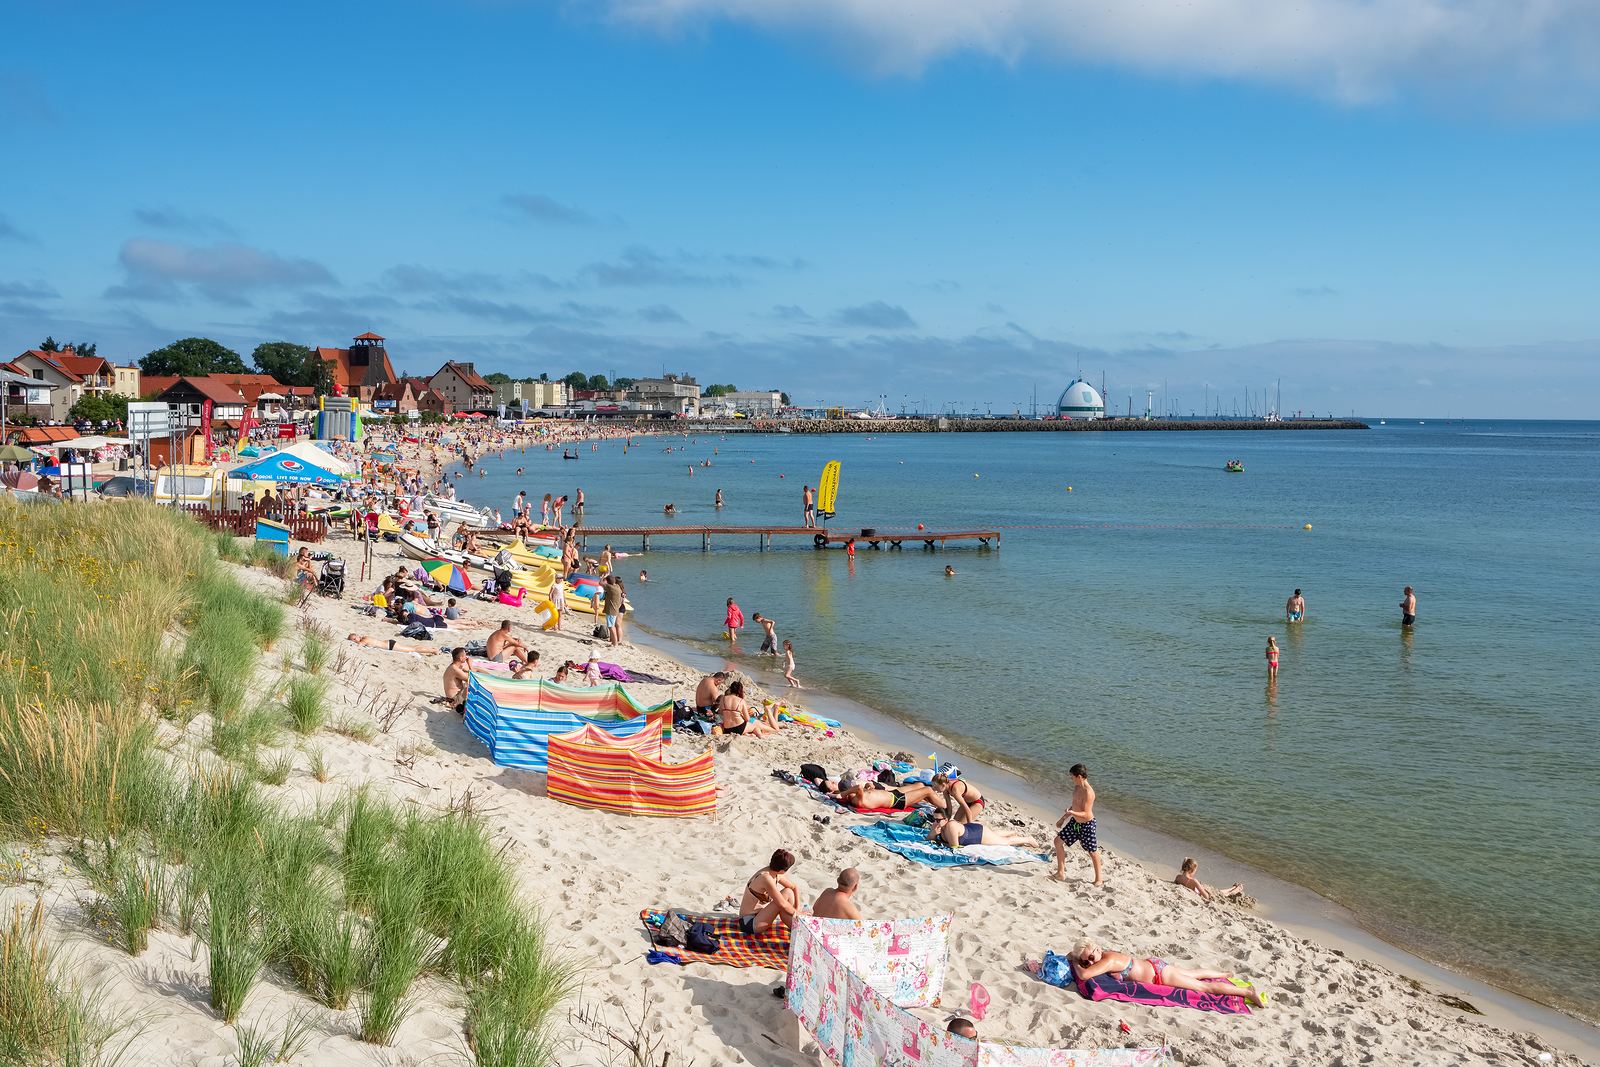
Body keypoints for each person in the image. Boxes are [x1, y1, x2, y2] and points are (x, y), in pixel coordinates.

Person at [1065, 938, 1267, 1007]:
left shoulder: (1108, 961)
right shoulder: (1105, 953)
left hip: (1160, 975)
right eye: (1087, 960)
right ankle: (1224, 974)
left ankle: (1249, 992)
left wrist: (1075, 961)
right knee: (1193, 973)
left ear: (1097, 949)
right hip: (1154, 965)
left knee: (1204, 987)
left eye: (1091, 957)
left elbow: (1083, 976)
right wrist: (1077, 955)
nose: (1091, 962)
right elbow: (1077, 953)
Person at [1053, 763, 1102, 885]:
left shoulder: (1088, 792)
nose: (1071, 779)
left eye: (1072, 776)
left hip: (1087, 825)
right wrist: (1063, 818)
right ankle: (1061, 873)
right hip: (1075, 823)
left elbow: (1086, 813)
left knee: (1092, 852)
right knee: (1057, 841)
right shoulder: (1077, 787)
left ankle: (1098, 879)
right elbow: (1074, 805)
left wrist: (1072, 812)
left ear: (1079, 776)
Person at [740, 849, 802, 936]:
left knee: (788, 891)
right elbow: (782, 904)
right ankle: (798, 928)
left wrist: (797, 909)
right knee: (783, 900)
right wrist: (798, 913)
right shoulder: (765, 877)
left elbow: (794, 887)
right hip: (749, 923)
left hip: (760, 916)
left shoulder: (774, 873)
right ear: (783, 871)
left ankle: (796, 924)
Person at [929, 811, 1037, 850]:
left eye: (938, 820)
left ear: (946, 819)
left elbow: (954, 847)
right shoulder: (938, 825)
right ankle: (1011, 832)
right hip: (971, 829)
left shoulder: (950, 826)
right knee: (993, 834)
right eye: (935, 819)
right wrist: (933, 834)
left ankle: (1028, 839)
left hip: (978, 834)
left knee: (1005, 842)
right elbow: (928, 839)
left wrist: (939, 841)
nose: (936, 822)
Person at [838, 780, 938, 811]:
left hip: (893, 793)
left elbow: (862, 789)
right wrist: (843, 794)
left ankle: (930, 799)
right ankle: (946, 809)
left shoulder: (857, 795)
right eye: (851, 786)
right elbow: (859, 787)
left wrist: (869, 787)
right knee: (928, 790)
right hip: (897, 800)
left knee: (920, 785)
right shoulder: (856, 800)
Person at [1174, 858, 1243, 901]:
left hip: (1197, 890)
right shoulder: (1194, 881)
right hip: (1202, 892)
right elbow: (1207, 896)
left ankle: (1232, 888)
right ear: (1192, 871)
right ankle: (1233, 890)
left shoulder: (1178, 877)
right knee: (1220, 893)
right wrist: (1200, 887)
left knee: (1218, 891)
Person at [347, 633, 440, 655]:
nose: (355, 640)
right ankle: (432, 648)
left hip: (390, 645)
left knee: (413, 649)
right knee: (412, 647)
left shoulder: (364, 639)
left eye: (355, 638)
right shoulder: (365, 638)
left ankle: (432, 651)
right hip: (389, 644)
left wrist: (354, 642)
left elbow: (360, 645)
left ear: (357, 635)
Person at [603, 575, 625, 646]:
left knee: (617, 625)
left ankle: (618, 640)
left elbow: (621, 601)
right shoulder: (619, 589)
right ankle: (613, 639)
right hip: (617, 607)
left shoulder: (619, 590)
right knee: (615, 625)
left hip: (618, 607)